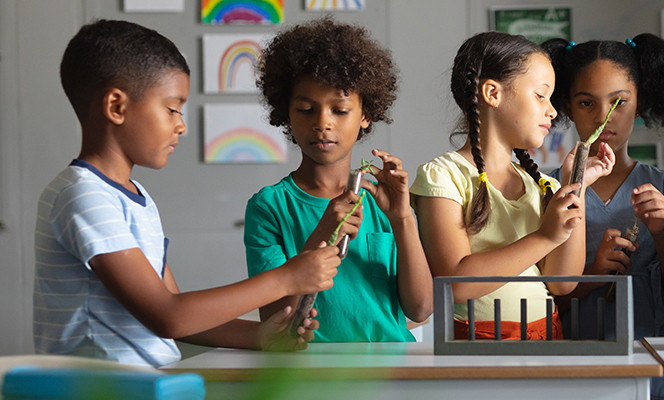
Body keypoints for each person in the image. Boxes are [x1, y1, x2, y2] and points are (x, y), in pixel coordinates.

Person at [34, 20, 335, 367]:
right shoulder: (84, 197)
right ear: (117, 107)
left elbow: (176, 312)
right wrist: (287, 278)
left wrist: (260, 336)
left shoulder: (133, 197)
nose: (181, 124)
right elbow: (168, 316)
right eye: (172, 108)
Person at [411, 32, 614, 340]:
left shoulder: (543, 185)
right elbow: (457, 283)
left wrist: (577, 186)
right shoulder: (443, 176)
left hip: (546, 338)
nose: (553, 111)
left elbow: (562, 282)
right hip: (476, 347)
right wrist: (545, 236)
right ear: (493, 93)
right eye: (540, 95)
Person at [245, 18, 432, 342]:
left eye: (340, 110)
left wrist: (403, 219)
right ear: (286, 114)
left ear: (365, 115)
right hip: (310, 374)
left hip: (392, 374)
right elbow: (278, 320)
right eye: (305, 109)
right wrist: (323, 233)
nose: (322, 123)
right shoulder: (269, 208)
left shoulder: (387, 204)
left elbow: (421, 308)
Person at [539, 34, 664, 341]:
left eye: (619, 102)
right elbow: (541, 305)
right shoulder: (546, 188)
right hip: (575, 364)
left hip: (655, 359)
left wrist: (662, 233)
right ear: (567, 106)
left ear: (641, 105)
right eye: (586, 103)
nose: (602, 117)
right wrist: (592, 276)